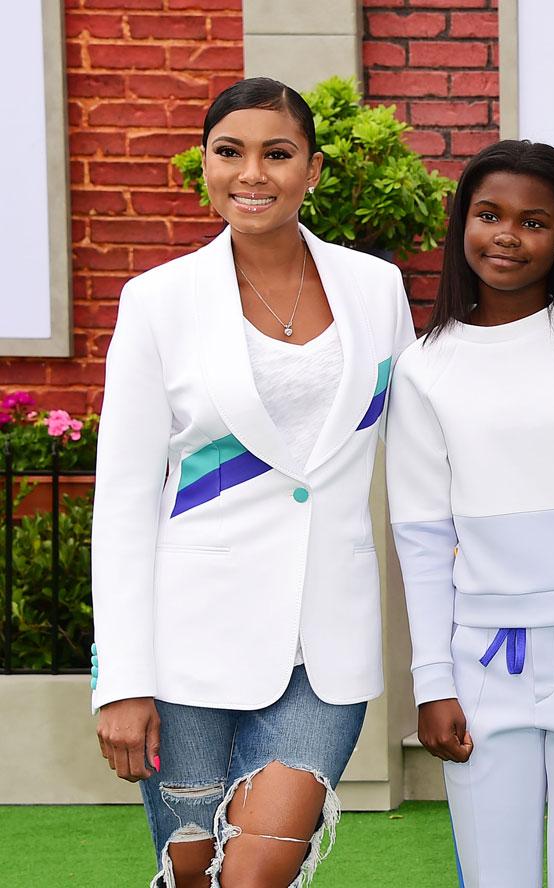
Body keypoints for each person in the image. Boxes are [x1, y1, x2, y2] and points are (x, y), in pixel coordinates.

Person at [91, 78, 415, 888]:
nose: (252, 174)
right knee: (194, 875)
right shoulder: (157, 301)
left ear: (313, 168)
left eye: (278, 154)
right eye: (229, 152)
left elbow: (417, 453)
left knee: (257, 875)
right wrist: (121, 680)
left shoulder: (375, 289)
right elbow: (125, 499)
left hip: (326, 650)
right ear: (204, 163)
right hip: (186, 649)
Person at [385, 139, 554, 888]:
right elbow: (421, 536)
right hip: (481, 664)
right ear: (462, 224)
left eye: (534, 222)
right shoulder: (424, 366)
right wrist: (433, 682)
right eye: (489, 215)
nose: (507, 235)